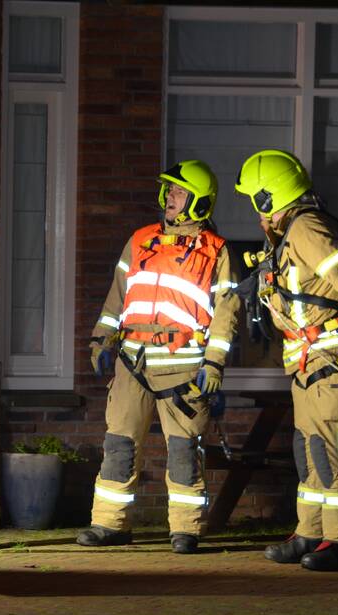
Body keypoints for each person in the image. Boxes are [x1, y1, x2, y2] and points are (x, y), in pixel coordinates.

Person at [78, 160, 240, 554]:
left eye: (180, 192)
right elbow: (117, 298)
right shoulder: (139, 240)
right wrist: (101, 341)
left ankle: (186, 530)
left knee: (184, 450)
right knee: (119, 442)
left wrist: (214, 362)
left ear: (200, 201)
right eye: (169, 190)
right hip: (133, 361)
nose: (170, 197)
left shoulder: (217, 251)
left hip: (184, 368)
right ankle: (109, 524)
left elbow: (227, 310)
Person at [234, 149, 338, 571]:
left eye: (254, 201)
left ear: (268, 198)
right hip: (308, 364)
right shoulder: (291, 233)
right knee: (311, 452)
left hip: (332, 359)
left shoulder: (307, 229)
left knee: (334, 453)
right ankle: (311, 534)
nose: (253, 211)